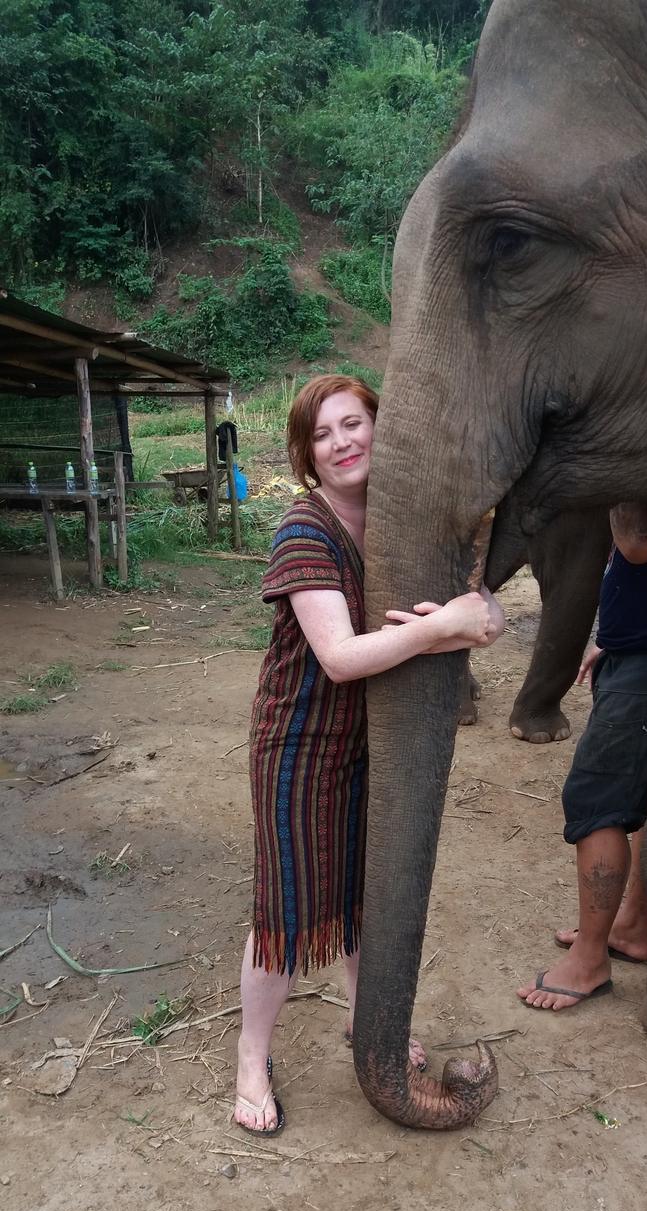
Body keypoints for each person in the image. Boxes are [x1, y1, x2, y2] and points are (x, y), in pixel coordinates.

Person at [235, 374, 505, 1132]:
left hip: (370, 746)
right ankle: (252, 1059)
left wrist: (482, 615)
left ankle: (366, 1016)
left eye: (354, 424)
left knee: (363, 893)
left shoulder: (397, 520)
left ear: (382, 431)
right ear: (305, 456)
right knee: (286, 916)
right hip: (298, 746)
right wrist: (441, 626)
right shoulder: (306, 528)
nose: (342, 442)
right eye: (322, 435)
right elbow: (342, 658)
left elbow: (476, 601)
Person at [518, 498, 647, 1010]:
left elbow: (639, 539)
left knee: (594, 804)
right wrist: (616, 637)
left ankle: (589, 961)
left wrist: (607, 478)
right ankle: (631, 926)